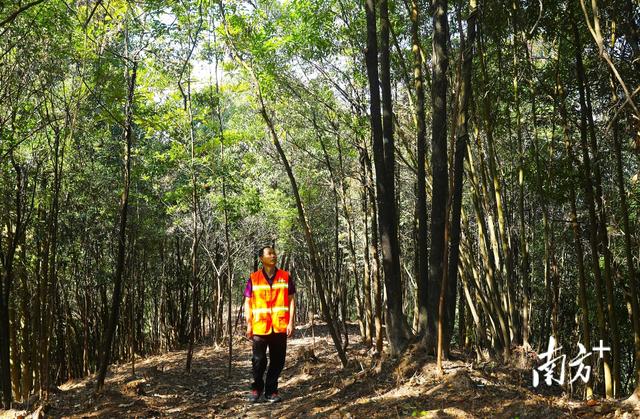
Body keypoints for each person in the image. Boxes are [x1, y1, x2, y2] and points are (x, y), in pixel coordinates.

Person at [244, 245, 296, 403]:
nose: (273, 256)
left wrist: (291, 322)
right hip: (260, 326)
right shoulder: (254, 278)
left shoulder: (285, 276)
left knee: (278, 360)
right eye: (269, 254)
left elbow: (291, 299)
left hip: (280, 325)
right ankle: (256, 389)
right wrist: (249, 324)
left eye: (274, 253)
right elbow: (248, 302)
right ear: (261, 259)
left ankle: (271, 391)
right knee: (258, 360)